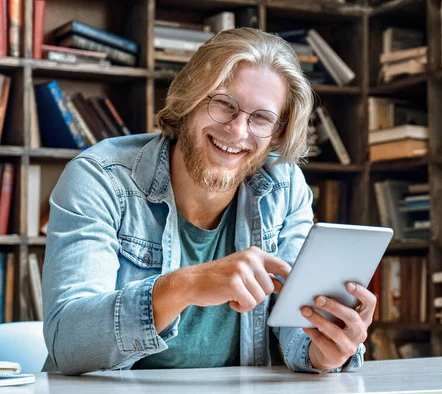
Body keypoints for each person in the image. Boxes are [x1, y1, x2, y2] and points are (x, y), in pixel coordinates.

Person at [41, 28, 374, 376]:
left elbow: (297, 325)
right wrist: (185, 285)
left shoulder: (285, 188)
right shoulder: (100, 179)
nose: (237, 130)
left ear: (277, 132)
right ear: (190, 100)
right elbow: (68, 342)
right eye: (224, 104)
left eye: (260, 118)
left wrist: (327, 351)